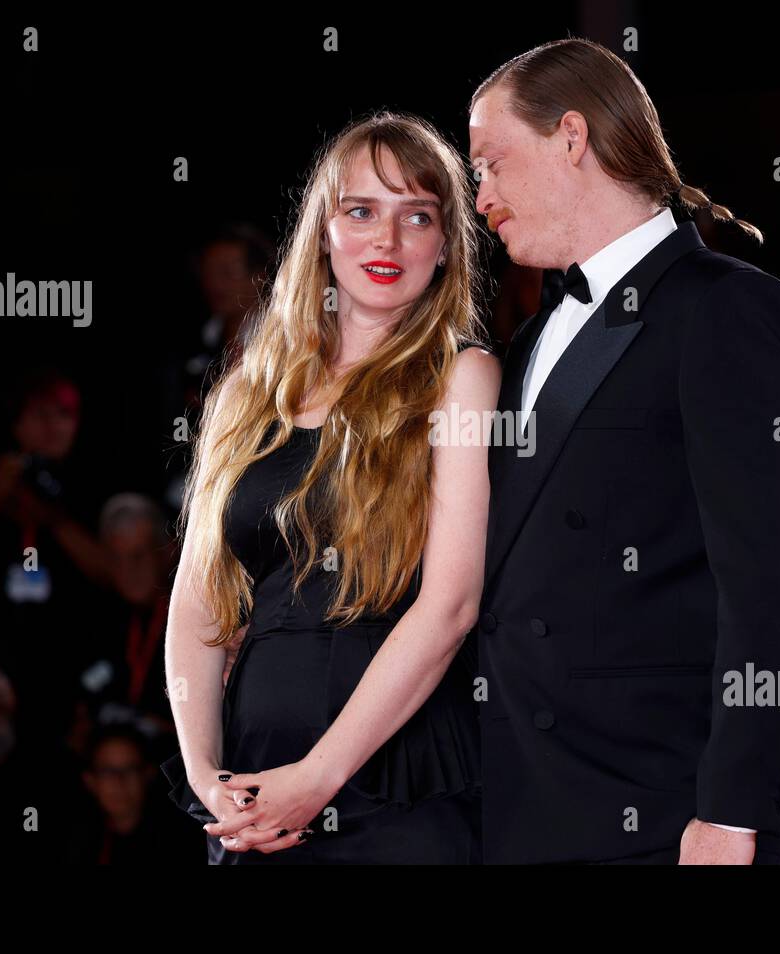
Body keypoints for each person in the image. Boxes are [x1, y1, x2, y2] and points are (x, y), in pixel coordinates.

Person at [468, 38, 780, 864]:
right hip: (525, 800)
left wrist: (734, 809)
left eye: (490, 161)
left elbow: (778, 588)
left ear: (570, 136)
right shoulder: (525, 343)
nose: (479, 194)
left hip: (666, 811)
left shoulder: (727, 310)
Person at [161, 111, 500, 864]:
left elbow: (451, 606)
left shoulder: (461, 377)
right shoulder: (245, 390)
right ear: (322, 230)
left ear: (445, 245)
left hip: (396, 784)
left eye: (418, 216)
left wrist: (319, 775)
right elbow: (197, 603)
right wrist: (203, 774)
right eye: (361, 211)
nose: (388, 240)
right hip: (252, 792)